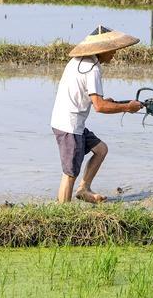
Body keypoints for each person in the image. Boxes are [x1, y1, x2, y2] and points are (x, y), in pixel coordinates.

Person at [50, 25, 144, 203]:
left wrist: (107, 101)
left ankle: (83, 189)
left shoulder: (79, 61)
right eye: (113, 49)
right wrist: (127, 107)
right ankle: (62, 212)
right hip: (69, 125)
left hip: (68, 120)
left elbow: (85, 95)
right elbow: (99, 106)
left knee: (101, 150)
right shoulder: (92, 69)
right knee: (70, 173)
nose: (114, 53)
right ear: (103, 49)